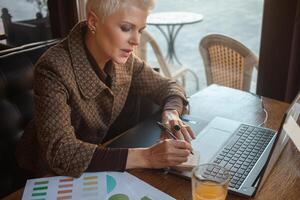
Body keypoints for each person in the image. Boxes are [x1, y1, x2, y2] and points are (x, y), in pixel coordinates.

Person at [17, 0, 195, 177]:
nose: (136, 41)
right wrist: (147, 157)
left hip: (97, 164)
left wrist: (171, 114)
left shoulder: (125, 60)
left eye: (140, 30)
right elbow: (60, 151)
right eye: (126, 28)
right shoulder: (53, 67)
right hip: (46, 176)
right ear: (94, 22)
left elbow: (169, 86)